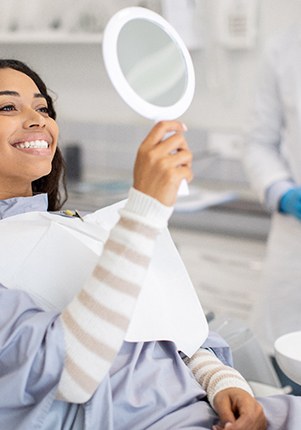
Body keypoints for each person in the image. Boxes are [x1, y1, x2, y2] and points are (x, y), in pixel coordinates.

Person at [0, 59, 300, 430]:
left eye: (43, 107)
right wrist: (144, 211)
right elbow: (66, 371)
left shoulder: (72, 227)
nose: (38, 119)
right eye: (8, 107)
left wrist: (222, 382)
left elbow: (169, 329)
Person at [243, 24, 301, 358]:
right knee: (286, 365)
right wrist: (284, 194)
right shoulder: (283, 50)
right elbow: (258, 142)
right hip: (295, 246)